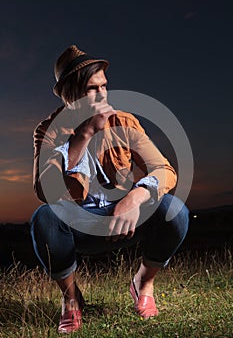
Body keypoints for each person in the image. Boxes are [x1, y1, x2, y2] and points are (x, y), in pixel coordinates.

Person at [30, 44, 189, 334]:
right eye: (93, 89)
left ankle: (144, 283)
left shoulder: (124, 121)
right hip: (81, 223)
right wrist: (85, 132)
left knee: (175, 211)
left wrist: (135, 197)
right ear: (71, 95)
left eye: (105, 85)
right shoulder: (48, 131)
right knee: (45, 218)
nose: (103, 95)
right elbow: (44, 189)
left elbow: (164, 170)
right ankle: (71, 299)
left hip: (123, 219)